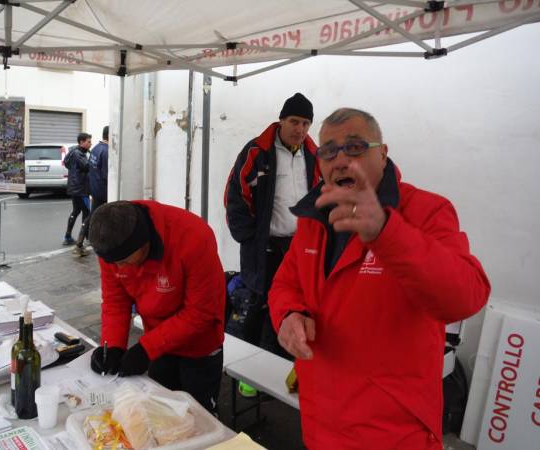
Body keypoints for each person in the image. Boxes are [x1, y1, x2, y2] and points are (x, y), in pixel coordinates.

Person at [268, 107, 491, 449]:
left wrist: (387, 233)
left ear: (383, 154)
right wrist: (288, 314)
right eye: (329, 151)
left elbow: (465, 297)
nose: (340, 160)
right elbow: (286, 284)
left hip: (393, 432)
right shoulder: (314, 218)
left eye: (355, 147)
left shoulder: (425, 211)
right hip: (320, 420)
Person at [88, 200, 225, 414]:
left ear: (143, 242)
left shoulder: (194, 237)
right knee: (160, 412)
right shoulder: (112, 243)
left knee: (198, 416)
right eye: (114, 263)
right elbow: (116, 301)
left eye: (124, 261)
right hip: (158, 340)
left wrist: (146, 349)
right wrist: (112, 346)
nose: (119, 267)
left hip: (199, 346)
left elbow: (200, 313)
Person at [224, 93, 320, 367]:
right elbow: (235, 194)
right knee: (256, 304)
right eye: (294, 121)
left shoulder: (314, 155)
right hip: (263, 247)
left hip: (298, 246)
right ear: (281, 120)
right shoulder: (257, 151)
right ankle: (249, 370)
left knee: (293, 305)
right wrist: (248, 237)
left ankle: (285, 364)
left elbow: (321, 195)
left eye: (305, 123)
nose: (299, 129)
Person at [76, 126, 108, 250]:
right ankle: (97, 239)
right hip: (103, 190)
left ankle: (81, 239)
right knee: (101, 215)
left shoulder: (95, 148)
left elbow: (90, 167)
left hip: (94, 188)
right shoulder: (106, 151)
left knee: (93, 214)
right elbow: (106, 174)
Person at [62, 132, 91, 255]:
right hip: (81, 189)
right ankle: (83, 240)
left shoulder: (73, 152)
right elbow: (87, 166)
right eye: (88, 141)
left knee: (76, 211)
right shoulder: (79, 154)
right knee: (87, 212)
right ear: (81, 142)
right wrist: (93, 159)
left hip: (74, 187)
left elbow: (68, 164)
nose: (90, 144)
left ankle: (68, 236)